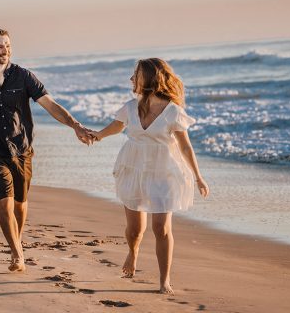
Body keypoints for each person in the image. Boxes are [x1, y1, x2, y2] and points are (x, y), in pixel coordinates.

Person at [0, 28, 94, 272]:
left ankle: (16, 243)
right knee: (5, 203)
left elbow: (50, 104)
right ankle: (16, 253)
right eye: (0, 46)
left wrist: (75, 125)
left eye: (8, 46)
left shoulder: (24, 77)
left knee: (21, 204)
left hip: (21, 149)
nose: (5, 50)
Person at [89, 58, 210, 294]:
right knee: (135, 229)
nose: (131, 79)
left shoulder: (173, 111)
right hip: (133, 168)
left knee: (161, 228)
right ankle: (133, 253)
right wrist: (98, 135)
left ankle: (164, 280)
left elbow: (185, 147)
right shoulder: (130, 107)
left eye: (136, 74)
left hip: (163, 172)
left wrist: (198, 177)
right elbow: (117, 126)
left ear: (149, 78)